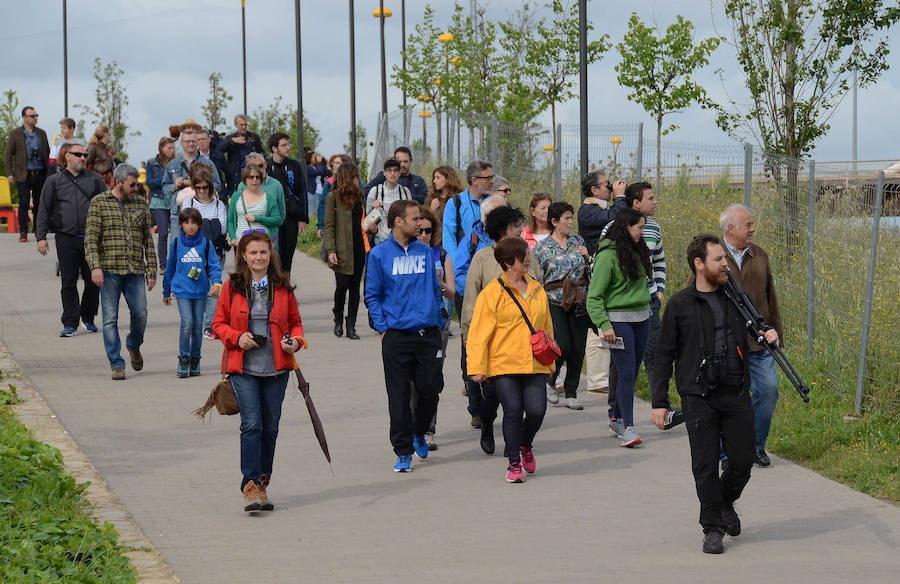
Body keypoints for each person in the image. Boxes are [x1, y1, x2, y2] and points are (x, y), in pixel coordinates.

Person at [651, 234, 775, 554]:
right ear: (699, 264)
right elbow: (664, 355)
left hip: (735, 391)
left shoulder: (735, 297)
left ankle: (724, 503)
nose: (725, 264)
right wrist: (659, 402)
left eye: (725, 259)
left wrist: (767, 331)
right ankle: (713, 527)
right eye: (718, 260)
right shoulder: (680, 305)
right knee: (704, 464)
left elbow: (757, 324)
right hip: (697, 395)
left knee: (742, 461)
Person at [211, 231, 306, 512]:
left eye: (263, 252)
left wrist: (295, 342)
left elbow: (295, 323)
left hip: (277, 368)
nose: (258, 258)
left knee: (270, 427)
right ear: (243, 255)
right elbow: (217, 324)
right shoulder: (233, 286)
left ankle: (264, 482)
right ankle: (249, 485)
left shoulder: (282, 285)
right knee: (251, 424)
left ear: (271, 254)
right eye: (252, 253)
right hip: (244, 367)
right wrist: (237, 337)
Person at [364, 200, 445, 473]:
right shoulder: (379, 255)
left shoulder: (425, 252)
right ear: (398, 221)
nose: (420, 224)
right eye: (414, 219)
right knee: (398, 396)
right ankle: (402, 451)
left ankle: (419, 431)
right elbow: (372, 295)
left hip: (428, 332)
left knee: (430, 390)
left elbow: (434, 288)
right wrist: (383, 328)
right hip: (396, 336)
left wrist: (438, 315)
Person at [467, 237, 554, 483]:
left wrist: (550, 363)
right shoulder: (492, 293)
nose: (528, 259)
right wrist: (477, 367)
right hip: (503, 364)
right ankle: (514, 462)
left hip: (534, 363)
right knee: (513, 411)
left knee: (537, 411)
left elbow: (546, 328)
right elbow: (478, 334)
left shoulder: (537, 289)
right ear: (507, 262)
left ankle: (526, 445)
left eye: (528, 254)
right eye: (522, 256)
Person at [459, 205, 530, 455]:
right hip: (492, 342)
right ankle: (487, 423)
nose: (521, 229)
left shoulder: (528, 254)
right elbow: (470, 301)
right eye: (516, 226)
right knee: (492, 394)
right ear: (502, 230)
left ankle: (515, 442)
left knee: (518, 397)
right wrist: (469, 338)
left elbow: (536, 292)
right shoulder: (482, 258)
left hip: (521, 341)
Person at [719, 204, 783, 468]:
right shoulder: (713, 255)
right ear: (730, 228)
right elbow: (694, 296)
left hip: (759, 342)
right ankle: (726, 453)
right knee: (728, 397)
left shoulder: (760, 255)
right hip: (724, 344)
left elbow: (771, 298)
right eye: (748, 225)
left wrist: (776, 332)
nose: (753, 229)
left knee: (768, 390)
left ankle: (756, 446)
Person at [84, 164, 157, 380]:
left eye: (137, 184)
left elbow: (148, 240)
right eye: (132, 184)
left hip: (135, 270)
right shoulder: (99, 203)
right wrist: (95, 267)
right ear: (119, 183)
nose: (136, 188)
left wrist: (152, 270)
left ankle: (133, 344)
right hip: (109, 271)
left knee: (140, 314)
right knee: (109, 319)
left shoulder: (140, 204)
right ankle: (116, 363)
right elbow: (90, 239)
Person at [586, 208, 651, 447]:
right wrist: (605, 325)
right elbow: (594, 297)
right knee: (625, 373)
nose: (642, 233)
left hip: (642, 318)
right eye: (639, 228)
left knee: (632, 373)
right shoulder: (606, 257)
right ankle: (628, 428)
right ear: (626, 228)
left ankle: (615, 416)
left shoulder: (638, 250)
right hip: (618, 321)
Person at [604, 182, 668, 417]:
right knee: (621, 364)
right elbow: (601, 264)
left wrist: (659, 289)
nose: (655, 201)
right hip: (619, 309)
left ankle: (661, 406)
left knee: (654, 353)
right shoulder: (612, 228)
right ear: (636, 203)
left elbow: (659, 260)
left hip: (648, 302)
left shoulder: (654, 229)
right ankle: (616, 412)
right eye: (650, 198)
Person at [35, 139, 107, 336]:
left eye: (85, 155)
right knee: (68, 281)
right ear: (67, 156)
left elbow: (107, 206)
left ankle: (88, 317)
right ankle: (70, 322)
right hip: (65, 237)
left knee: (93, 282)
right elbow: (43, 209)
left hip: (91, 238)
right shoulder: (54, 181)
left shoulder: (94, 180)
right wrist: (41, 237)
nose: (83, 158)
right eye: (78, 154)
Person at [452, 194, 507, 428]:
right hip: (476, 308)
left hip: (506, 317)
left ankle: (497, 411)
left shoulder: (516, 243)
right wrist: (484, 289)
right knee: (472, 361)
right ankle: (476, 408)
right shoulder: (473, 240)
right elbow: (459, 271)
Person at [533, 201, 592, 410]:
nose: (570, 222)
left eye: (571, 218)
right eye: (566, 218)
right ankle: (550, 381)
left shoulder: (578, 242)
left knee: (578, 348)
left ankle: (571, 391)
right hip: (554, 301)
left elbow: (591, 270)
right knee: (562, 345)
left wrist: (587, 256)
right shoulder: (542, 248)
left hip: (579, 300)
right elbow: (536, 278)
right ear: (554, 222)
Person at [580, 172, 626, 396]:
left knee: (605, 323)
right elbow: (615, 217)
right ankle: (597, 379)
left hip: (609, 272)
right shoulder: (587, 210)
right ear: (594, 190)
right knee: (596, 325)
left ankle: (604, 377)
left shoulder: (597, 208)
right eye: (608, 185)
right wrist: (620, 197)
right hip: (596, 274)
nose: (611, 188)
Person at [162, 207, 223, 377]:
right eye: (186, 223)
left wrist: (217, 283)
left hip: (200, 290)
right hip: (182, 291)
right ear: (181, 224)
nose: (190, 226)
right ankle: (183, 358)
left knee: (197, 327)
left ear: (199, 225)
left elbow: (213, 266)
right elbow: (170, 268)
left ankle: (195, 359)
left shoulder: (206, 243)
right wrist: (166, 291)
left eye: (194, 223)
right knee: (187, 323)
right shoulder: (175, 244)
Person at [415, 205, 455, 450]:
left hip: (438, 323)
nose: (424, 235)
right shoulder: (405, 254)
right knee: (410, 382)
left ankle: (429, 430)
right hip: (411, 324)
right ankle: (413, 428)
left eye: (428, 230)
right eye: (419, 230)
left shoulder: (441, 254)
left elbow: (451, 291)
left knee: (432, 380)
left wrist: (440, 284)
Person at [175, 163, 228, 339]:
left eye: (205, 187)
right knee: (194, 288)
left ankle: (209, 325)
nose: (202, 191)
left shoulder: (219, 204)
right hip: (193, 255)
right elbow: (183, 230)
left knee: (214, 288)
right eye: (198, 187)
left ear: (211, 187)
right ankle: (194, 322)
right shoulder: (188, 203)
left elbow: (223, 229)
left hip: (215, 253)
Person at [323, 162, 368, 340]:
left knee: (355, 288)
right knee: (342, 286)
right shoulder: (333, 197)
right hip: (341, 250)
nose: (358, 179)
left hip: (358, 248)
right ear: (348, 178)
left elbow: (363, 222)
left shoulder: (359, 198)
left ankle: (351, 325)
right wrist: (331, 250)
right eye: (355, 176)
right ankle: (338, 319)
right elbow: (329, 225)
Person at [161, 129, 222, 261]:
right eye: (187, 141)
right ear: (181, 143)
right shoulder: (173, 164)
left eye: (193, 141)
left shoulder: (207, 163)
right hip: (178, 213)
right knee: (177, 250)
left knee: (200, 252)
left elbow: (217, 185)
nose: (190, 144)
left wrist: (197, 184)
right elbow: (165, 188)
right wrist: (175, 185)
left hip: (201, 214)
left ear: (197, 144)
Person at [5, 105, 50, 242]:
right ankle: (23, 231)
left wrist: (49, 172)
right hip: (23, 174)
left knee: (39, 203)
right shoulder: (16, 133)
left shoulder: (41, 133)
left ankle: (38, 230)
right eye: (32, 116)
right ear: (25, 118)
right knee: (24, 202)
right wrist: (9, 173)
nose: (35, 118)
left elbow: (47, 153)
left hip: (40, 173)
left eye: (36, 116)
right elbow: (8, 155)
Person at [267, 132, 308, 274]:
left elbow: (302, 191)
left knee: (287, 257)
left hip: (291, 216)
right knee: (272, 256)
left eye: (288, 144)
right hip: (271, 217)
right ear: (274, 148)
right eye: (284, 145)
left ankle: (285, 290)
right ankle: (273, 290)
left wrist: (303, 218)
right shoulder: (266, 166)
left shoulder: (294, 166)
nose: (288, 148)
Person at [441, 159, 494, 258]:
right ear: (474, 180)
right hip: (465, 264)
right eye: (488, 178)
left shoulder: (495, 202)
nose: (492, 181)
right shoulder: (456, 203)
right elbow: (449, 240)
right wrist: (458, 265)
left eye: (492, 177)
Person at [236, 152, 286, 248]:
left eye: (260, 166)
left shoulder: (276, 185)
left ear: (265, 164)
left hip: (270, 235)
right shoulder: (242, 185)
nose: (257, 169)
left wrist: (274, 229)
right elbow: (236, 213)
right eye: (252, 166)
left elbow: (281, 212)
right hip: (246, 235)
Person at [364, 158, 412, 246]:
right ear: (384, 173)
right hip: (381, 238)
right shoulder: (375, 191)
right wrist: (373, 208)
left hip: (401, 238)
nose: (392, 174)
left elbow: (410, 215)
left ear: (400, 172)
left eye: (395, 171)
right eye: (389, 171)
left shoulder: (405, 192)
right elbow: (368, 216)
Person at [147, 137, 176, 270]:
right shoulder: (152, 163)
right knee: (163, 232)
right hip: (158, 201)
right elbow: (149, 182)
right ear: (161, 149)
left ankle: (175, 262)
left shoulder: (177, 162)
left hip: (174, 201)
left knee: (177, 234)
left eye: (173, 147)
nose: (171, 150)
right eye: (169, 148)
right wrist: (165, 180)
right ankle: (163, 264)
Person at [218, 114, 263, 195]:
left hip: (252, 170)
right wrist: (232, 141)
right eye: (241, 125)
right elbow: (219, 150)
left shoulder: (254, 137)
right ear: (236, 125)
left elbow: (261, 152)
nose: (244, 127)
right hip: (236, 173)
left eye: (245, 124)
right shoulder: (231, 138)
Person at [316, 154, 352, 238]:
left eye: (338, 163)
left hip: (351, 223)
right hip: (333, 222)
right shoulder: (329, 182)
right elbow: (323, 205)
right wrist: (320, 226)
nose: (334, 165)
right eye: (334, 163)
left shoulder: (355, 182)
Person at [197, 129, 230, 201]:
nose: (201, 142)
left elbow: (228, 173)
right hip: (200, 196)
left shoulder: (218, 155)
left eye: (203, 139)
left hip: (219, 195)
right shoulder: (194, 158)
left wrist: (229, 192)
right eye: (199, 140)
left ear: (209, 139)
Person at [305, 150, 328, 214]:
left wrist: (323, 163)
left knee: (320, 211)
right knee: (313, 211)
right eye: (314, 157)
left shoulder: (315, 167)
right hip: (312, 192)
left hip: (320, 191)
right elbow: (319, 172)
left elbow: (324, 173)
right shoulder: (307, 168)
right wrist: (320, 162)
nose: (315, 159)